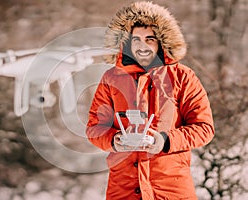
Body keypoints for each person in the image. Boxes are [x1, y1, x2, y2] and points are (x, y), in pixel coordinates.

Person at [86, 1, 214, 200]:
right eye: (135, 39)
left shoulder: (183, 77)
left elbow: (204, 128)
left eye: (150, 38)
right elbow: (95, 127)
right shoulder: (111, 79)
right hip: (124, 190)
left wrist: (164, 140)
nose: (142, 45)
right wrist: (114, 140)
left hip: (171, 189)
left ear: (161, 41)